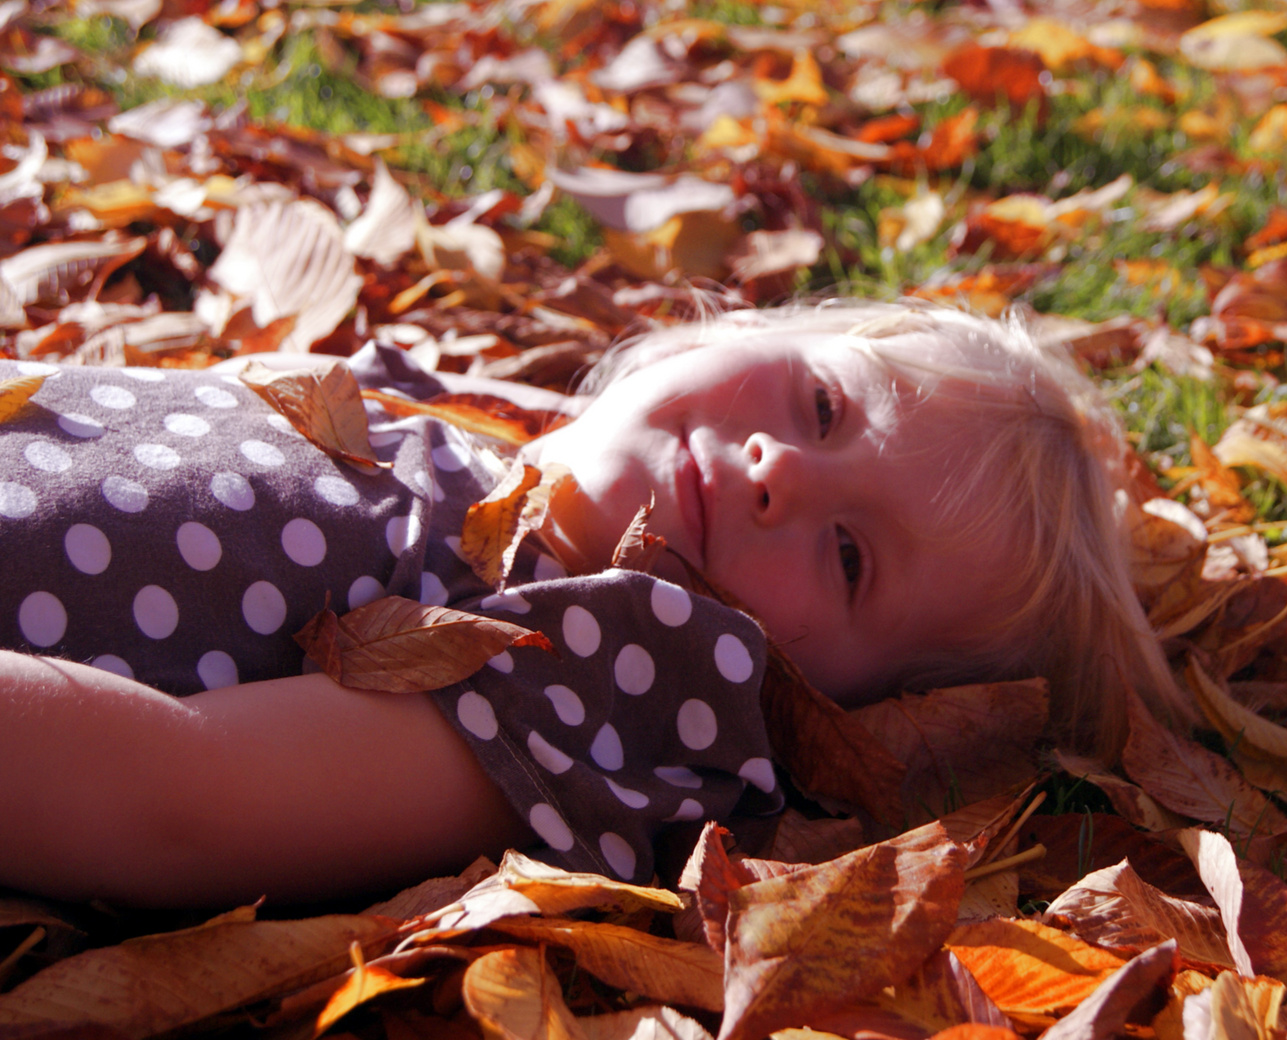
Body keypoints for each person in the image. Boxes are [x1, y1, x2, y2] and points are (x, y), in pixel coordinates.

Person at [0, 302, 1183, 908]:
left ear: (829, 711)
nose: (780, 468)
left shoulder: (607, 679)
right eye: (823, 404)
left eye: (850, 559)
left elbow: (181, 800)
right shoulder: (477, 432)